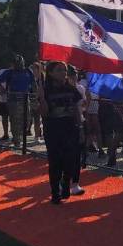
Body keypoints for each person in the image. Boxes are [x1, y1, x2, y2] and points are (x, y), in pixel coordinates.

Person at [37, 62, 85, 204]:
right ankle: (55, 192)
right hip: (53, 129)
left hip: (70, 128)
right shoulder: (45, 89)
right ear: (50, 73)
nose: (63, 73)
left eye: (64, 70)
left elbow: (77, 109)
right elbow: (43, 113)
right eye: (59, 70)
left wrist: (80, 128)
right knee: (55, 161)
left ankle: (66, 183)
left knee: (70, 159)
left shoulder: (71, 88)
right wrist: (41, 98)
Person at [0, 55, 35, 146]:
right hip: (13, 99)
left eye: (20, 63)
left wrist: (36, 95)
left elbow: (33, 83)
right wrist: (2, 89)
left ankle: (20, 136)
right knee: (15, 120)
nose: (19, 65)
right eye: (17, 63)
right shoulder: (9, 72)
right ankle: (17, 140)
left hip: (26, 98)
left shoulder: (28, 71)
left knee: (27, 119)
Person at [0, 73, 10, 141]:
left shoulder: (16, 73)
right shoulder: (4, 72)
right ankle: (6, 134)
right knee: (4, 117)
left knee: (13, 117)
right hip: (2, 99)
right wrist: (1, 88)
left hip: (12, 99)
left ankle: (15, 135)